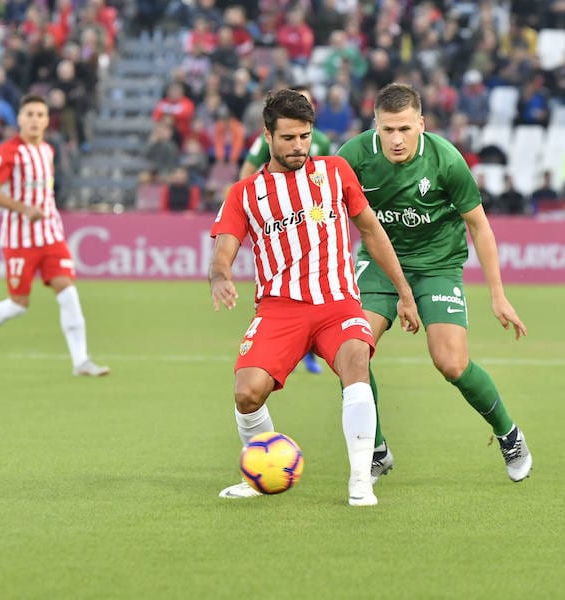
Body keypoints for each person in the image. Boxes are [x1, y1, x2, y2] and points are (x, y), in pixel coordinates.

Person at [210, 89, 421, 506]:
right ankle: (262, 472)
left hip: (337, 302)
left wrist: (404, 291)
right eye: (288, 138)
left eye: (304, 136)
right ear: (266, 136)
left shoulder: (336, 172)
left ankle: (361, 479)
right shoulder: (244, 193)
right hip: (279, 309)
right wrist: (220, 276)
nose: (298, 146)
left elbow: (373, 232)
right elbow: (223, 252)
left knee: (356, 363)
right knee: (246, 393)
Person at [336, 83, 532, 484]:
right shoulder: (353, 158)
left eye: (405, 129)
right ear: (375, 124)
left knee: (451, 362)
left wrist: (498, 295)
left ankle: (508, 433)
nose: (396, 139)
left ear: (421, 124)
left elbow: (479, 225)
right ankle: (376, 451)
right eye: (387, 129)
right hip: (379, 263)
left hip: (437, 265)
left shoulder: (447, 161)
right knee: (351, 353)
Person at [0, 95, 109, 377]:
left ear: (46, 120)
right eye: (29, 114)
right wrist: (23, 209)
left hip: (51, 233)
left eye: (41, 115)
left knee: (68, 291)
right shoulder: (9, 151)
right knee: (18, 305)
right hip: (20, 239)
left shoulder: (48, 151)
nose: (35, 120)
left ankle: (81, 360)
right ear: (19, 119)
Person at [239, 84, 333, 376]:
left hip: (308, 217)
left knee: (312, 287)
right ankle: (286, 343)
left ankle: (309, 349)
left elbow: (320, 174)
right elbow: (249, 168)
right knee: (281, 286)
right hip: (275, 213)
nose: (298, 143)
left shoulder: (323, 142)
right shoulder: (265, 140)